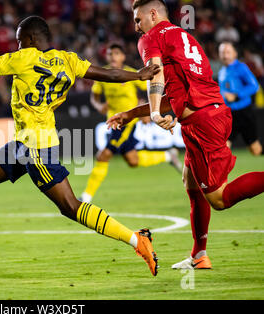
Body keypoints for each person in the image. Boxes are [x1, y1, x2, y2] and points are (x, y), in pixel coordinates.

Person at [0, 16, 161, 276]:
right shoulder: (68, 60)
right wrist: (138, 75)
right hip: (24, 142)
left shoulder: (24, 58)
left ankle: (137, 240)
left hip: (36, 148)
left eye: (20, 41)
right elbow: (109, 74)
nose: (18, 46)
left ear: (30, 40)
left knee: (70, 207)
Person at [107, 0, 264, 270]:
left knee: (219, 198)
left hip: (203, 122)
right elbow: (177, 96)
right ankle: (199, 255)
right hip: (209, 115)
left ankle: (200, 254)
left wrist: (154, 113)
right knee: (190, 181)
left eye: (137, 20)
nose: (136, 27)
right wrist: (131, 113)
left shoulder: (151, 38)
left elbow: (154, 76)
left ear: (153, 14)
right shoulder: (184, 37)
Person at [80, 42, 182, 203]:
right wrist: (99, 105)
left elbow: (150, 86)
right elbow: (95, 96)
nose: (112, 56)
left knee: (103, 155)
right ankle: (167, 155)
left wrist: (146, 109)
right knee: (132, 160)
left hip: (126, 121)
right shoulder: (104, 74)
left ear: (122, 57)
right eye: (109, 54)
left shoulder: (131, 73)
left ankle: (86, 197)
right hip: (113, 120)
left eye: (116, 53)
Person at [218, 42, 262, 156]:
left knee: (255, 150)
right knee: (223, 145)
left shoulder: (241, 67)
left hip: (245, 113)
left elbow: (254, 86)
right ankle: (219, 172)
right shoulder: (222, 71)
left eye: (228, 52)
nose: (225, 55)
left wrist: (236, 95)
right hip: (229, 115)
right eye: (222, 52)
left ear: (235, 54)